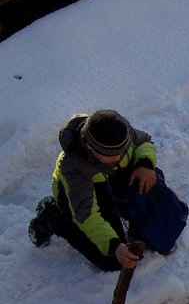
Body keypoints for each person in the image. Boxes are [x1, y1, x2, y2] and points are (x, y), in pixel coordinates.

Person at [28, 109, 181, 271]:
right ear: (90, 147)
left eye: (122, 151)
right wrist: (115, 246)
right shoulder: (73, 167)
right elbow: (86, 214)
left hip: (112, 184)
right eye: (113, 155)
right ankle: (52, 216)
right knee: (113, 261)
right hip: (83, 202)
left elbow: (143, 142)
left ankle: (136, 224)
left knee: (152, 177)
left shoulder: (117, 127)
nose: (120, 156)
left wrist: (145, 164)